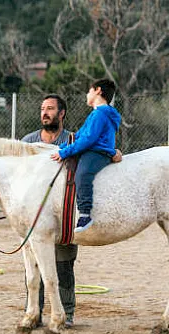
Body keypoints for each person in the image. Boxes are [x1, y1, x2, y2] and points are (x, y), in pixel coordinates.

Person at [21, 94, 78, 328]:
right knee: (36, 267)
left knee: (64, 267)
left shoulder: (72, 139)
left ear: (61, 114)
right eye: (43, 108)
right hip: (36, 216)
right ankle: (35, 313)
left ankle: (68, 314)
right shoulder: (28, 142)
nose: (45, 113)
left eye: (50, 108)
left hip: (63, 214)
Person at [51, 79, 122, 233]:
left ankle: (85, 214)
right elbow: (78, 136)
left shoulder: (100, 114)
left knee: (82, 174)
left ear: (98, 91)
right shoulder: (96, 114)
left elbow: (88, 139)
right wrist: (58, 148)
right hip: (91, 149)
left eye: (89, 91)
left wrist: (64, 152)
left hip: (97, 153)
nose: (86, 94)